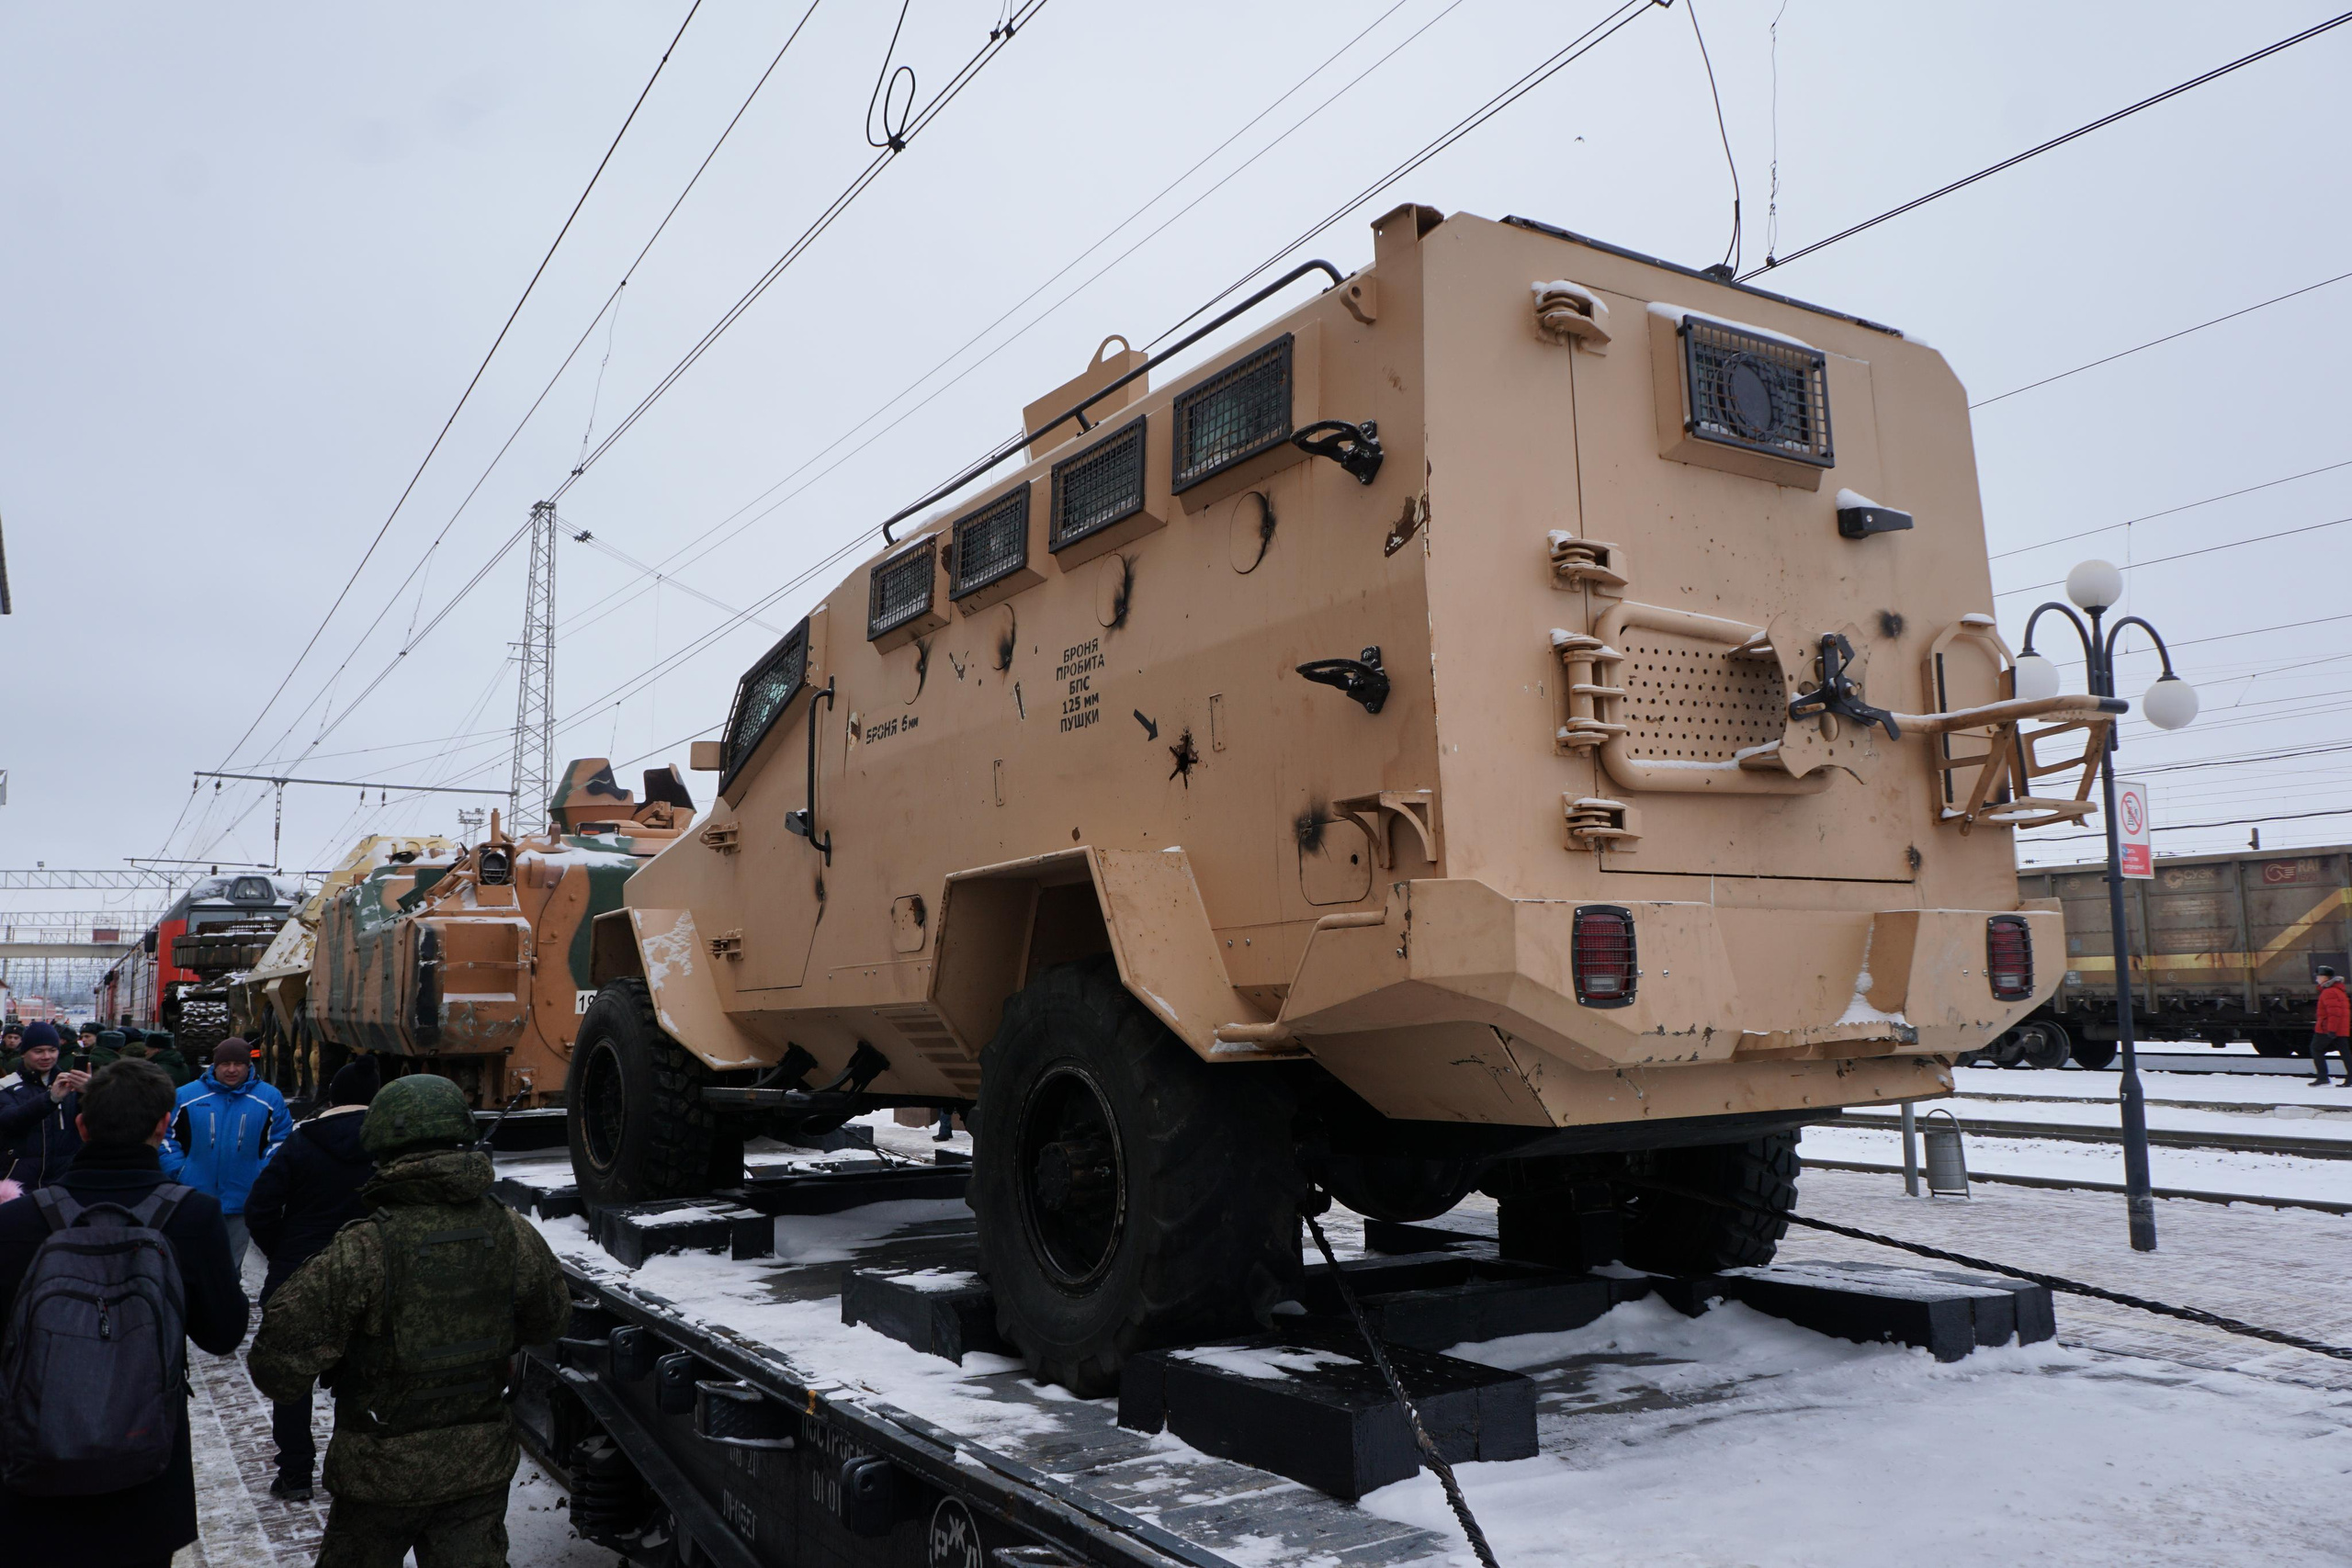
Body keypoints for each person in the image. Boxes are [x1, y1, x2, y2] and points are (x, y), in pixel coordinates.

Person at [251, 1073, 571, 1567]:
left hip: (379, 1473)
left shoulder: (362, 1248)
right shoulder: (512, 1232)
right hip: (477, 1465)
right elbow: (550, 1321)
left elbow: (276, 1368)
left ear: (380, 1145)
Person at [0, 1058, 249, 1568]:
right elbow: (222, 1335)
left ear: (82, 1126)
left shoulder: (19, 1218)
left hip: (34, 1458)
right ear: (163, 1125)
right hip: (144, 1463)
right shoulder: (193, 1214)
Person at [244, 1058, 381, 1502]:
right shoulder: (388, 1146)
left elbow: (260, 1207)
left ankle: (296, 1474)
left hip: (299, 1273)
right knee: (360, 1378)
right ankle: (352, 1475)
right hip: (369, 1276)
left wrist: (283, 1250)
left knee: (293, 1378)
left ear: (333, 1096)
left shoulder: (302, 1142)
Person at [161, 1037, 289, 1270]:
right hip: (193, 1197)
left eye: (238, 1064)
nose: (231, 1070)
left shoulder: (269, 1098)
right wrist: (179, 1170)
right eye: (225, 1064)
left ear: (248, 1066)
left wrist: (261, 1173)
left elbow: (280, 1140)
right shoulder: (186, 1096)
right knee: (190, 1267)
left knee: (229, 1270)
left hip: (241, 1201)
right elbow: (164, 1135)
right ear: (215, 1065)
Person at [0, 1024, 89, 1190]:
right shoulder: (6, 1086)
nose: (47, 1056)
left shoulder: (71, 1086)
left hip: (65, 1182)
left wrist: (90, 1093)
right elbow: (9, 1120)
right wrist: (51, 1099)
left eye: (52, 1050)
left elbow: (98, 1125)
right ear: (23, 1053)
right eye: (38, 1051)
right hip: (19, 1183)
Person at [2312, 965, 2351, 1087]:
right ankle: (2350, 1078)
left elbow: (2334, 1013)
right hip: (2340, 1028)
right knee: (2345, 1052)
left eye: (2318, 977)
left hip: (2328, 1028)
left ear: (2324, 978)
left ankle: (2322, 1077)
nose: (2317, 979)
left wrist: (2331, 1030)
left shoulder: (2329, 992)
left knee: (2316, 1048)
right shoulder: (2338, 990)